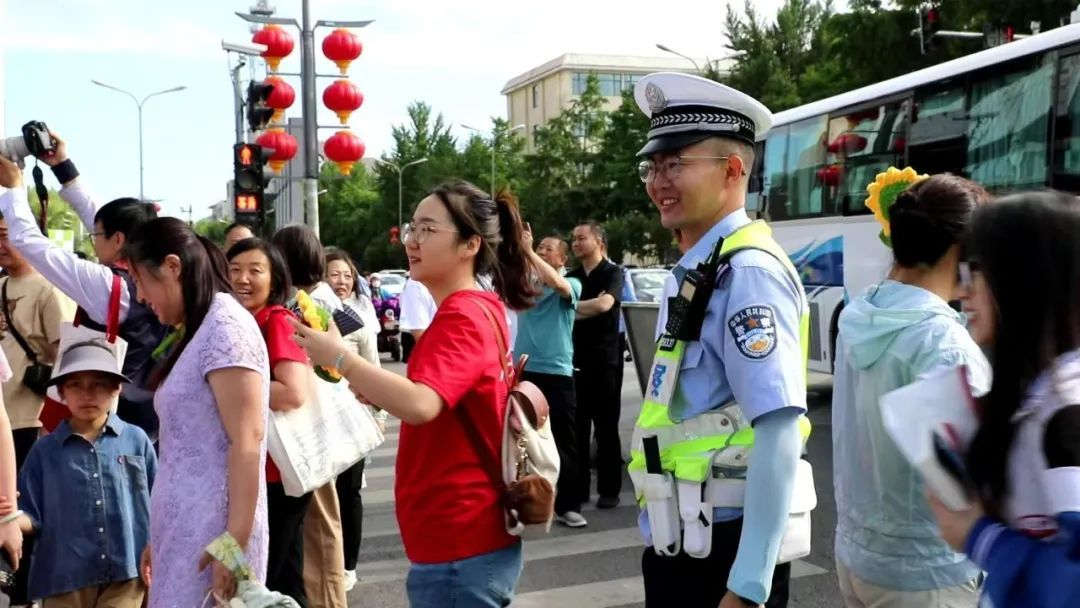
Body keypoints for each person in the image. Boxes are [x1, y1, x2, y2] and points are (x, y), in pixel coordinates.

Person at [290, 181, 538, 608]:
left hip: (460, 540)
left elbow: (422, 404)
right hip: (461, 537)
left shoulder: (463, 315)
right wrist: (375, 387)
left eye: (427, 230)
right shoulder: (478, 307)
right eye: (411, 228)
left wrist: (340, 356)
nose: (411, 241)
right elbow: (436, 400)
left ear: (470, 245)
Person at [627, 73, 813, 608]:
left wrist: (748, 584)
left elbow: (778, 427)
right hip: (683, 539)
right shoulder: (703, 264)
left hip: (723, 559)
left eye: (676, 164)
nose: (659, 181)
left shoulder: (748, 271)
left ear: (733, 170)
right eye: (653, 166)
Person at [832, 174, 990, 607]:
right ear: (961, 250)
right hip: (928, 574)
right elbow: (963, 485)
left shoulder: (857, 316)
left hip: (856, 557)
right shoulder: (942, 344)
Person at [928, 192, 1080, 607]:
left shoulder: (1068, 413)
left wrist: (981, 537)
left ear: (1023, 279)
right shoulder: (1042, 394)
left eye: (974, 270)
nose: (962, 290)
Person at [123, 218, 269, 605]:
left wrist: (233, 542)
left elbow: (248, 439)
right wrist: (162, 536)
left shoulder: (224, 327)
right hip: (190, 533)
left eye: (140, 280)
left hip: (214, 535)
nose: (139, 295)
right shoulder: (203, 327)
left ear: (173, 267)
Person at [0, 135, 166, 439]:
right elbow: (100, 217)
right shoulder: (155, 273)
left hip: (106, 421)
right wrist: (62, 166)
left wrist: (14, 188)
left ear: (117, 241)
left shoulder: (108, 284)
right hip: (148, 414)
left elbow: (31, 244)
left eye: (96, 236)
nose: (93, 238)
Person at [11, 338, 155, 606]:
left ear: (116, 388)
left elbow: (158, 500)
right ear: (62, 393)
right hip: (64, 577)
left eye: (99, 384)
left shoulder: (136, 440)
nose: (87, 394)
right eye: (75, 385)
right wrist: (10, 518)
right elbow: (31, 514)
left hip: (127, 572)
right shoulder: (45, 452)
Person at [226, 238, 312, 606]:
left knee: (272, 579)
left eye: (255, 271)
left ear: (275, 279)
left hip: (276, 471)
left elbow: (293, 393)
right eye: (234, 270)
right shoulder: (241, 322)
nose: (243, 279)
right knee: (282, 575)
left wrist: (228, 389)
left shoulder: (276, 320)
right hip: (258, 468)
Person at [270, 225, 347, 608]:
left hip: (309, 425)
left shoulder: (305, 304)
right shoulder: (324, 298)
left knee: (318, 527)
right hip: (321, 423)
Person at [0, 215, 75, 605]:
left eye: (6, 236)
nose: (1, 245)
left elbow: (69, 355)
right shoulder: (1, 286)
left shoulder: (49, 288)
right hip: (4, 416)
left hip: (32, 420)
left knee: (26, 513)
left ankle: (25, 590)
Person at [324, 248, 386, 592]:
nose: (342, 281)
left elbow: (374, 371)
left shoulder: (358, 322)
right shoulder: (308, 316)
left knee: (349, 494)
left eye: (348, 275)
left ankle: (348, 564)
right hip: (317, 422)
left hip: (352, 419)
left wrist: (379, 415)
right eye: (335, 274)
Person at [515, 232, 586, 528]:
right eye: (539, 246)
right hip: (525, 370)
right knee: (521, 441)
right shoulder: (526, 282)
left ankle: (567, 505)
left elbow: (557, 285)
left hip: (556, 373)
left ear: (562, 259)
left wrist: (528, 250)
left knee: (564, 441)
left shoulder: (572, 283)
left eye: (548, 249)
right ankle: (526, 503)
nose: (542, 252)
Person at [568, 221, 624, 509]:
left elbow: (605, 306)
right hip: (575, 361)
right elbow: (591, 306)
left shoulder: (613, 273)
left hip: (606, 362)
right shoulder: (571, 276)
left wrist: (573, 308)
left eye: (582, 238)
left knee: (606, 429)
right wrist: (590, 305)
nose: (576, 243)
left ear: (599, 241)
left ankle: (609, 490)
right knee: (577, 429)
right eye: (573, 239)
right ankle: (577, 491)